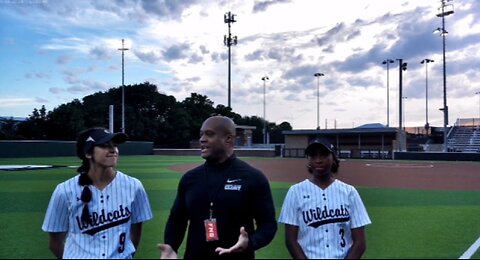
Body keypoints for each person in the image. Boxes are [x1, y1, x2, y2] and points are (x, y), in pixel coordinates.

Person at [158, 115, 277, 259]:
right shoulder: (190, 178)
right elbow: (177, 219)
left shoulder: (253, 178)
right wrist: (171, 246)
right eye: (201, 134)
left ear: (229, 139)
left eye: (209, 134)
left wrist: (250, 242)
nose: (202, 139)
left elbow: (268, 225)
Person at [42, 127, 153, 259]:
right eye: (104, 146)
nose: (113, 150)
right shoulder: (64, 191)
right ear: (88, 153)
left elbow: (135, 233)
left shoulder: (134, 186)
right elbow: (55, 242)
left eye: (115, 145)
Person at [278, 138, 371, 259]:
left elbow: (360, 243)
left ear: (333, 158)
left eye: (324, 155)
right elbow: (291, 240)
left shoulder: (349, 192)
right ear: (308, 160)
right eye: (313, 155)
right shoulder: (295, 192)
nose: (318, 160)